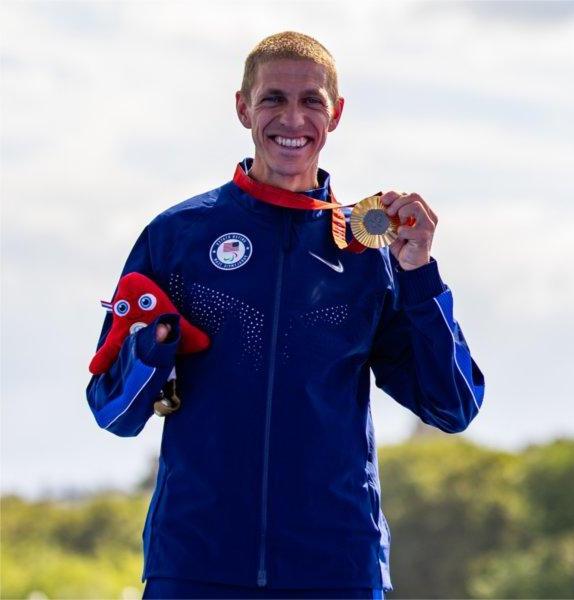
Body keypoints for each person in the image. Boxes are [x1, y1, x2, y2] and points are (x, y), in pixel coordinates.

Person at [86, 31, 485, 600]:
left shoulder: (372, 253)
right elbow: (111, 411)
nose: (292, 118)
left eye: (311, 101)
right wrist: (152, 352)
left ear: (336, 113)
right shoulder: (178, 238)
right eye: (273, 98)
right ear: (243, 107)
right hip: (196, 563)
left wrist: (419, 273)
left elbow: (452, 406)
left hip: (337, 567)